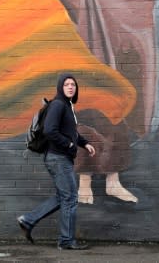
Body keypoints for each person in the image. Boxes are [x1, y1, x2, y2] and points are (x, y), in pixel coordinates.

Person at [2, 0, 155, 204]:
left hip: (117, 53)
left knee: (118, 111)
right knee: (84, 115)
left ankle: (113, 180)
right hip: (79, 52)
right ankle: (84, 182)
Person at [17, 74, 97, 250]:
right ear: (60, 87)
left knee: (64, 197)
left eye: (73, 85)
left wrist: (85, 143)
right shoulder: (58, 105)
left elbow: (71, 133)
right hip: (58, 158)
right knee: (70, 198)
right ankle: (66, 240)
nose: (70, 87)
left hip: (60, 158)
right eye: (67, 84)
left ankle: (28, 220)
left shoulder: (67, 106)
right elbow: (50, 130)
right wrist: (68, 144)